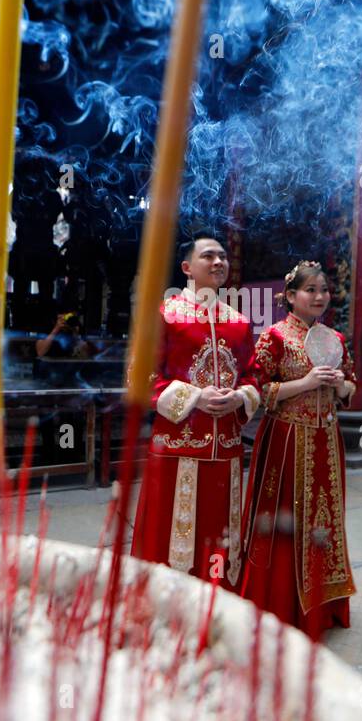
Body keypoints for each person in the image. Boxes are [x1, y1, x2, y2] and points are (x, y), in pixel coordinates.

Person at [130, 235, 260, 587]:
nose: (219, 262)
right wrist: (195, 397)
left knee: (218, 536)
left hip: (227, 451)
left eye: (222, 256)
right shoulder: (164, 316)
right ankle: (161, 611)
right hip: (177, 448)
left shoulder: (239, 322)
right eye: (208, 256)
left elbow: (253, 375)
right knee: (168, 537)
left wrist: (240, 397)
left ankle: (218, 607)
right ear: (187, 268)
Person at [237, 260, 356, 636]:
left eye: (324, 290)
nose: (320, 296)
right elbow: (257, 391)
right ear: (290, 296)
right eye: (311, 290)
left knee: (323, 522)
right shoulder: (274, 336)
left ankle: (323, 604)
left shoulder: (334, 339)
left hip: (326, 441)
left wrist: (339, 385)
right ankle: (280, 603)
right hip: (286, 442)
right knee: (287, 522)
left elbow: (351, 388)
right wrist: (305, 383)